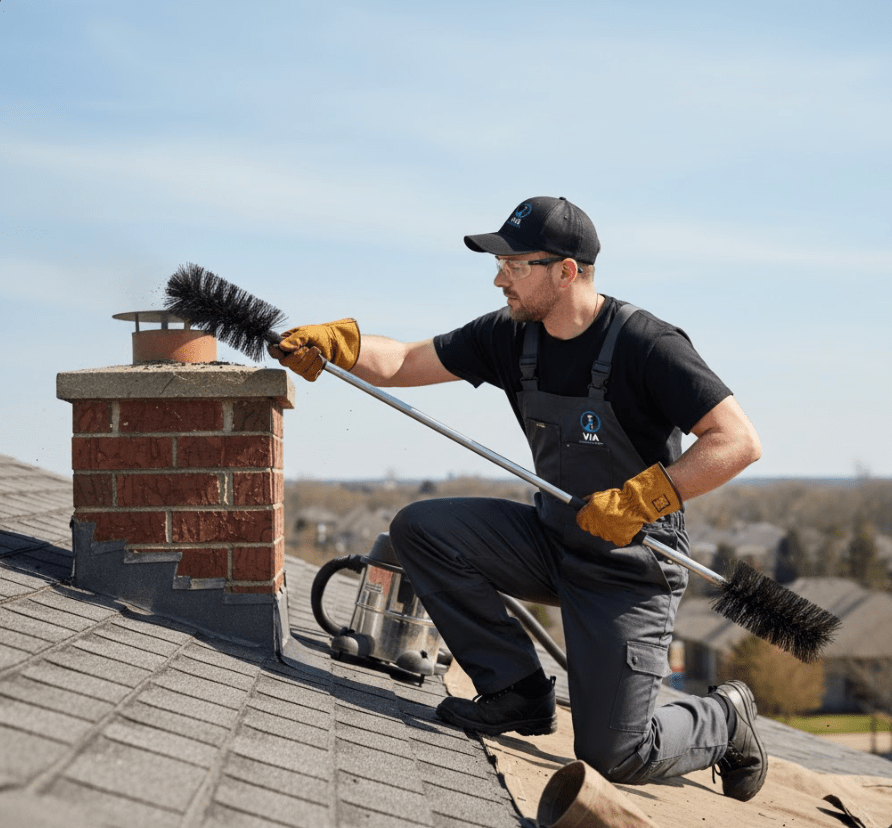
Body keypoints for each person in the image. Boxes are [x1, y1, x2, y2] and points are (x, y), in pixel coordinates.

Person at [269, 196, 767, 802]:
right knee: (421, 529)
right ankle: (518, 690)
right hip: (551, 540)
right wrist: (340, 343)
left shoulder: (647, 343)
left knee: (616, 756)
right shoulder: (511, 336)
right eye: (499, 262)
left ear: (567, 270)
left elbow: (738, 440)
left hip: (629, 568)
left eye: (515, 263)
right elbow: (400, 361)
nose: (499, 276)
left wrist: (643, 498)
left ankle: (727, 715)